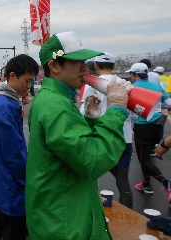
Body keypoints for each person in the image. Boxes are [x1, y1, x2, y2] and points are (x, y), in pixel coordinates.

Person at [25, 31, 132, 240]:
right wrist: (116, 111)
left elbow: (70, 148)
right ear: (54, 66)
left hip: (57, 211)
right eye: (77, 61)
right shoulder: (56, 105)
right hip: (65, 223)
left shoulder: (52, 98)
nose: (85, 67)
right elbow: (93, 159)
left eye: (85, 60)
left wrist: (90, 120)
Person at [0, 54, 39, 240]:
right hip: (8, 181)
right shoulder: (4, 104)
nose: (29, 86)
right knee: (11, 230)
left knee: (1, 227)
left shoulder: (1, 99)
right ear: (12, 76)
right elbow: (13, 150)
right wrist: (27, 178)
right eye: (27, 81)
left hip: (0, 176)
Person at [80, 52, 133, 208]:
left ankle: (93, 210)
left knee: (92, 175)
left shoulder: (93, 84)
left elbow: (85, 111)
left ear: (95, 66)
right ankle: (128, 221)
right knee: (123, 182)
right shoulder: (125, 84)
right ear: (114, 66)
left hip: (103, 135)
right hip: (126, 138)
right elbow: (133, 115)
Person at [126, 62, 171, 202]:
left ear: (136, 74)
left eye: (131, 74)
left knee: (143, 160)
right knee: (147, 158)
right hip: (158, 126)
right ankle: (146, 184)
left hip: (142, 126)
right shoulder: (156, 86)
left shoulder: (132, 88)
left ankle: (166, 184)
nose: (130, 77)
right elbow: (168, 104)